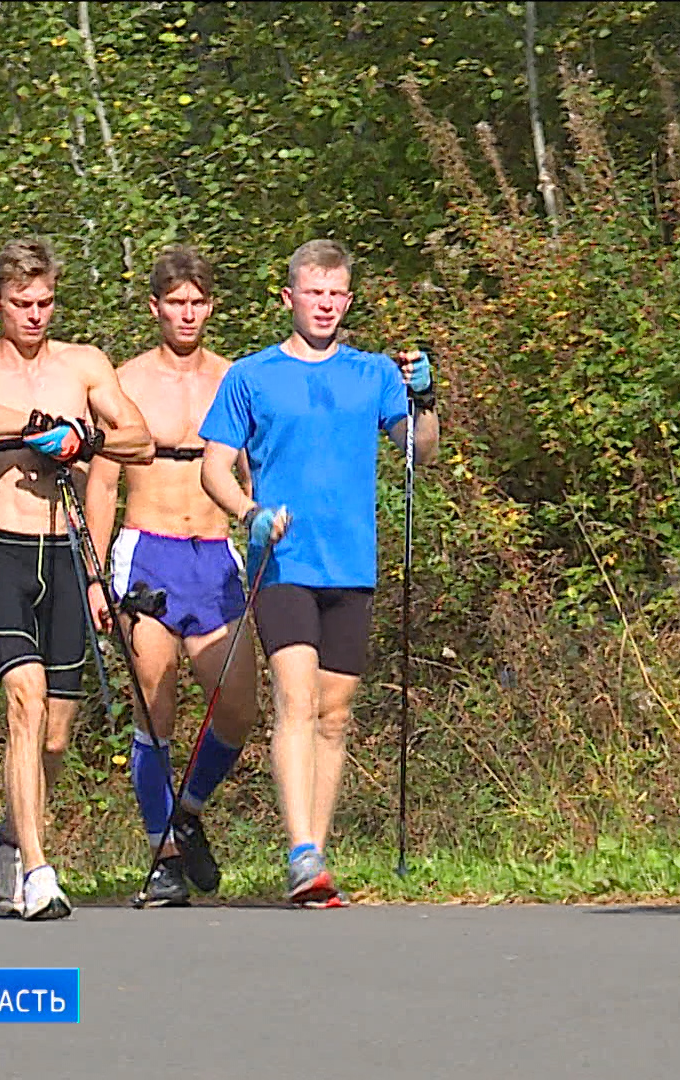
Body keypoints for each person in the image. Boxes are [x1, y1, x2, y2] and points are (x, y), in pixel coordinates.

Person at [199, 239, 438, 908]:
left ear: (348, 300)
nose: (325, 305)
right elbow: (213, 468)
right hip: (284, 562)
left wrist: (426, 397)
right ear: (290, 298)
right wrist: (249, 513)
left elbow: (419, 452)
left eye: (336, 294)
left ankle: (317, 857)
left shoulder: (375, 374)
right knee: (296, 700)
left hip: (351, 564)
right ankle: (300, 851)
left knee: (335, 713)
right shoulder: (251, 376)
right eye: (313, 293)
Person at [0, 236, 154, 921]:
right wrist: (37, 427)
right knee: (24, 702)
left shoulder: (83, 364)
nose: (35, 315)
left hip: (65, 555)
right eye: (21, 303)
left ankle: (8, 836)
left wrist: (85, 440)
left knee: (55, 737)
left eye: (45, 302)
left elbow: (141, 438)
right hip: (4, 552)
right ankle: (37, 871)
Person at [84, 246, 261, 908]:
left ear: (211, 307)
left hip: (214, 553)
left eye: (198, 303)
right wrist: (96, 575)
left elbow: (252, 472)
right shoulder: (125, 381)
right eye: (176, 303)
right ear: (155, 307)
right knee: (155, 698)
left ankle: (187, 810)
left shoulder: (234, 378)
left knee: (238, 705)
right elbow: (103, 483)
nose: (187, 314)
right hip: (147, 551)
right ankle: (162, 856)